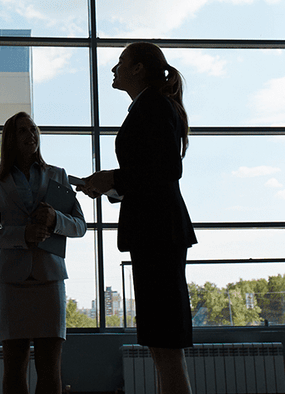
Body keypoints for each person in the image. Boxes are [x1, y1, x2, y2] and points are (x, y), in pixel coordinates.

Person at [76, 42, 198, 394]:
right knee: (161, 343)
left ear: (139, 68)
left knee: (165, 343)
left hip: (158, 232)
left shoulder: (154, 107)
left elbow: (165, 170)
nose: (113, 70)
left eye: (120, 63)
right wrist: (110, 185)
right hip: (156, 231)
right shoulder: (149, 107)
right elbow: (148, 175)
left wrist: (112, 179)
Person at [0, 112, 87, 394]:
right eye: (23, 131)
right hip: (11, 282)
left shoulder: (57, 175)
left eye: (34, 130)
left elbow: (81, 226)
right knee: (14, 369)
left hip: (49, 280)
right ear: (10, 139)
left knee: (51, 370)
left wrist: (55, 220)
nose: (31, 135)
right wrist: (20, 236)